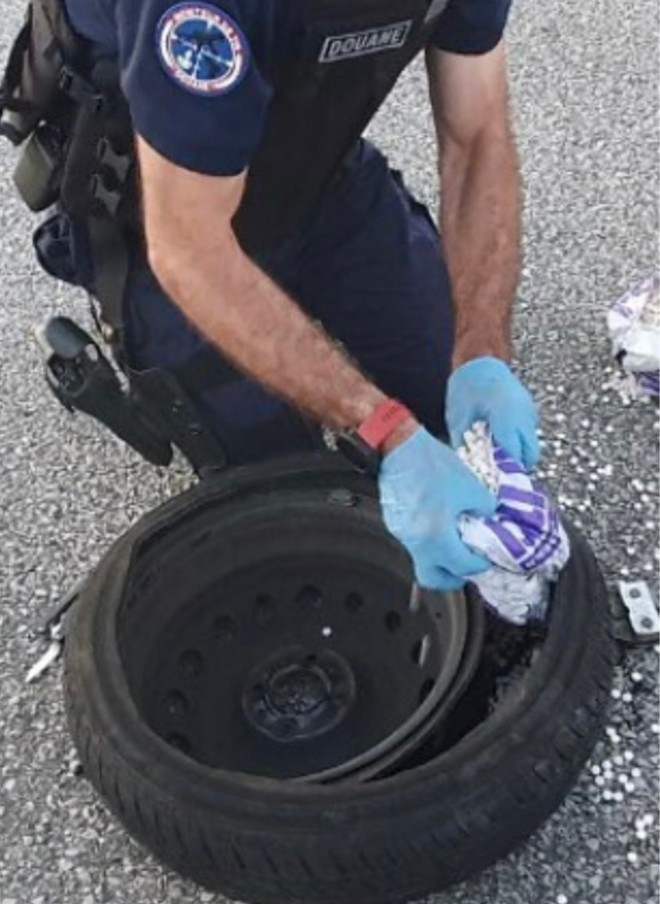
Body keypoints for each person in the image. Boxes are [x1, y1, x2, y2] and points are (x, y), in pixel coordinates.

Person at [61, 0, 542, 590]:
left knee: (444, 388)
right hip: (155, 203)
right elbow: (188, 247)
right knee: (289, 488)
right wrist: (383, 426)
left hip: (313, 170)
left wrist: (481, 351)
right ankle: (132, 329)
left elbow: (477, 136)